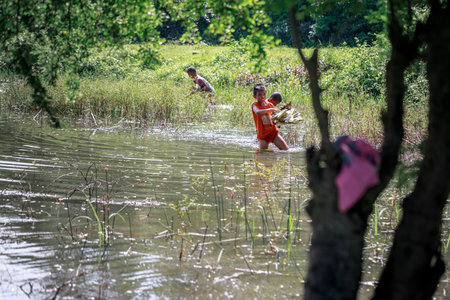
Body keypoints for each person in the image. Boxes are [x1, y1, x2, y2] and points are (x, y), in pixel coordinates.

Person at [251, 84, 289, 150]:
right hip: (263, 136)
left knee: (286, 150)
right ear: (255, 96)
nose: (262, 96)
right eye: (259, 94)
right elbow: (257, 112)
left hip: (273, 132)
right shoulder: (255, 105)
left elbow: (273, 120)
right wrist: (270, 109)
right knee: (263, 154)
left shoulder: (270, 105)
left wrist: (280, 121)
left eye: (264, 94)